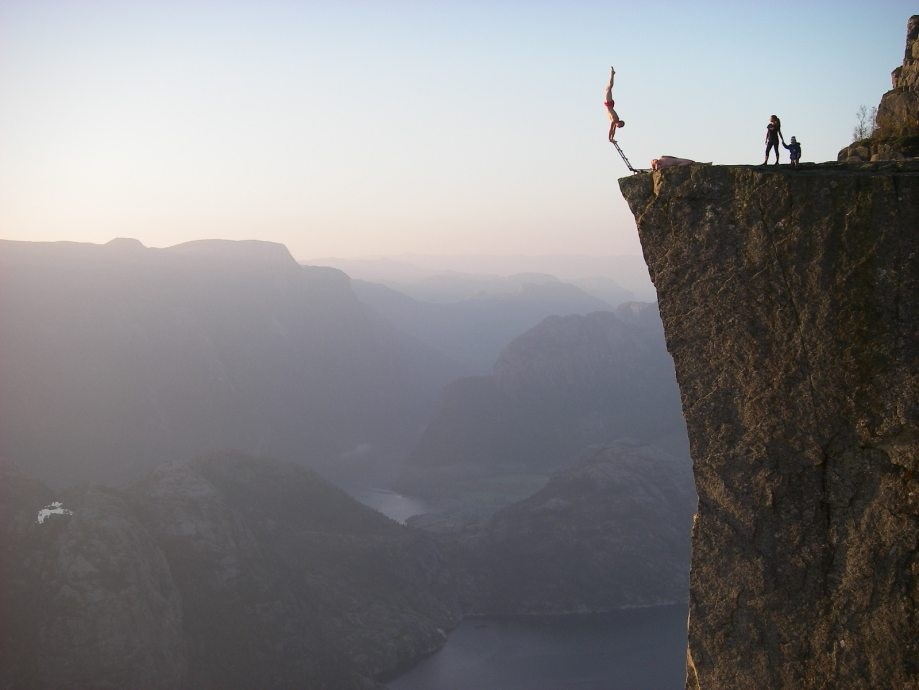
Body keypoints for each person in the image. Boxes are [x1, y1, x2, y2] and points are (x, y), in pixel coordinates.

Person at [604, 66, 625, 142]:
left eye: (620, 127)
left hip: (610, 105)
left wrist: (612, 138)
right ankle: (612, 74)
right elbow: (611, 129)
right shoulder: (615, 120)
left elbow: (613, 130)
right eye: (620, 125)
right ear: (619, 122)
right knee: (610, 87)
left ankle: (612, 74)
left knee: (608, 88)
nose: (619, 127)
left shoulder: (615, 122)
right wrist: (610, 138)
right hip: (609, 104)